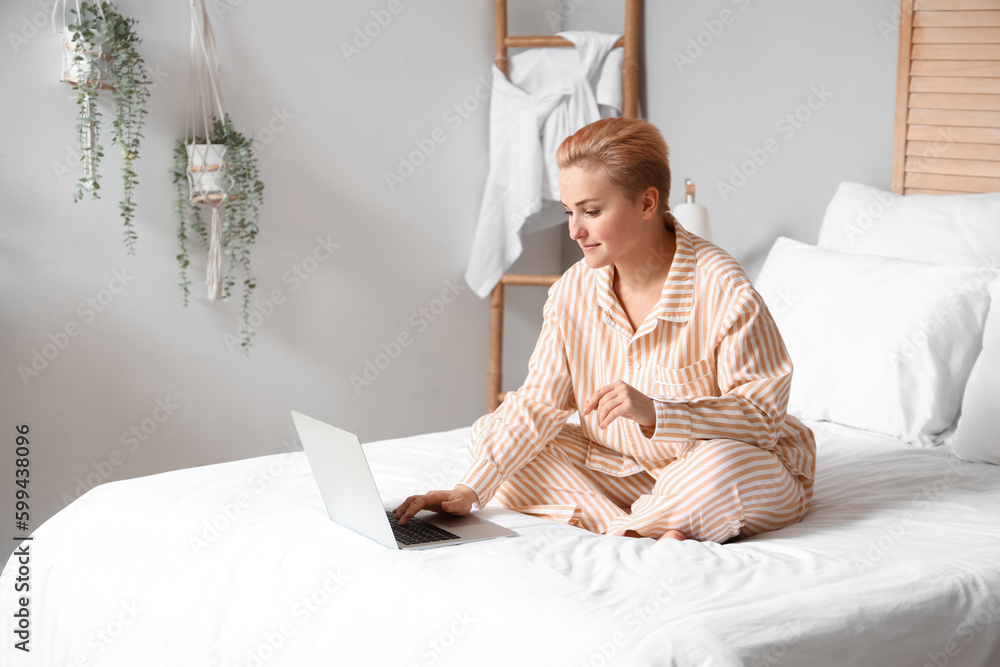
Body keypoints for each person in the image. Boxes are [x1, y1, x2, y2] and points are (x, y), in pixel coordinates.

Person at [394, 117, 816, 542]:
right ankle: (643, 526)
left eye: (592, 212)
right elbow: (539, 404)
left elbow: (763, 420)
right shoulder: (572, 291)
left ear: (648, 204)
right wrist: (468, 490)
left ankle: (648, 520)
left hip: (728, 464)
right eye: (569, 211)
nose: (576, 230)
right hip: (622, 470)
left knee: (721, 468)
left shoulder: (724, 288)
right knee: (493, 436)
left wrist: (659, 411)